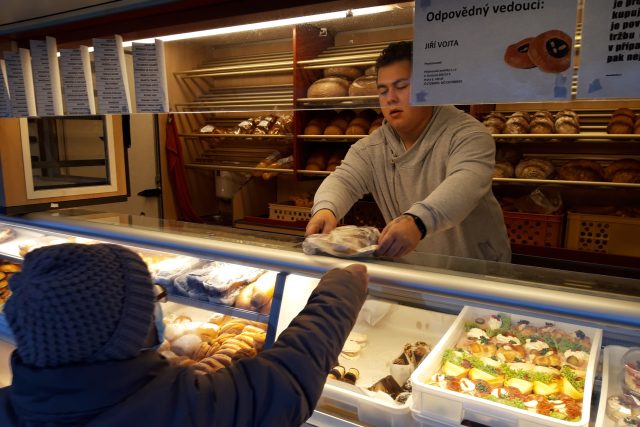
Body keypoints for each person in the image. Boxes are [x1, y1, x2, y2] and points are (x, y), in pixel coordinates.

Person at [0, 243, 368, 426]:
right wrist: (342, 288)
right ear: (127, 332)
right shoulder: (186, 408)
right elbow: (289, 376)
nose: (159, 310)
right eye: (152, 301)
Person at [306, 41, 511, 262]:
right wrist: (326, 209)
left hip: (478, 277)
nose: (390, 98)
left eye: (401, 86)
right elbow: (344, 180)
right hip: (414, 278)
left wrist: (417, 221)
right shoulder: (372, 149)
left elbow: (464, 185)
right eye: (383, 91)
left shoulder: (467, 134)